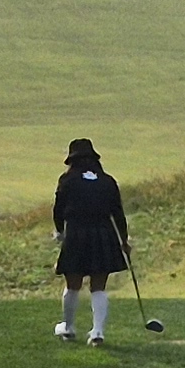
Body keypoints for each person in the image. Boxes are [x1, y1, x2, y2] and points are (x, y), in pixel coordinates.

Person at [50, 138, 128, 346]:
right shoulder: (107, 181)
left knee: (73, 283)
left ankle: (68, 327)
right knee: (99, 286)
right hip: (104, 234)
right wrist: (124, 240)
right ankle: (98, 332)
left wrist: (59, 231)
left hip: (76, 234)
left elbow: (58, 209)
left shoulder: (67, 180)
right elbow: (118, 213)